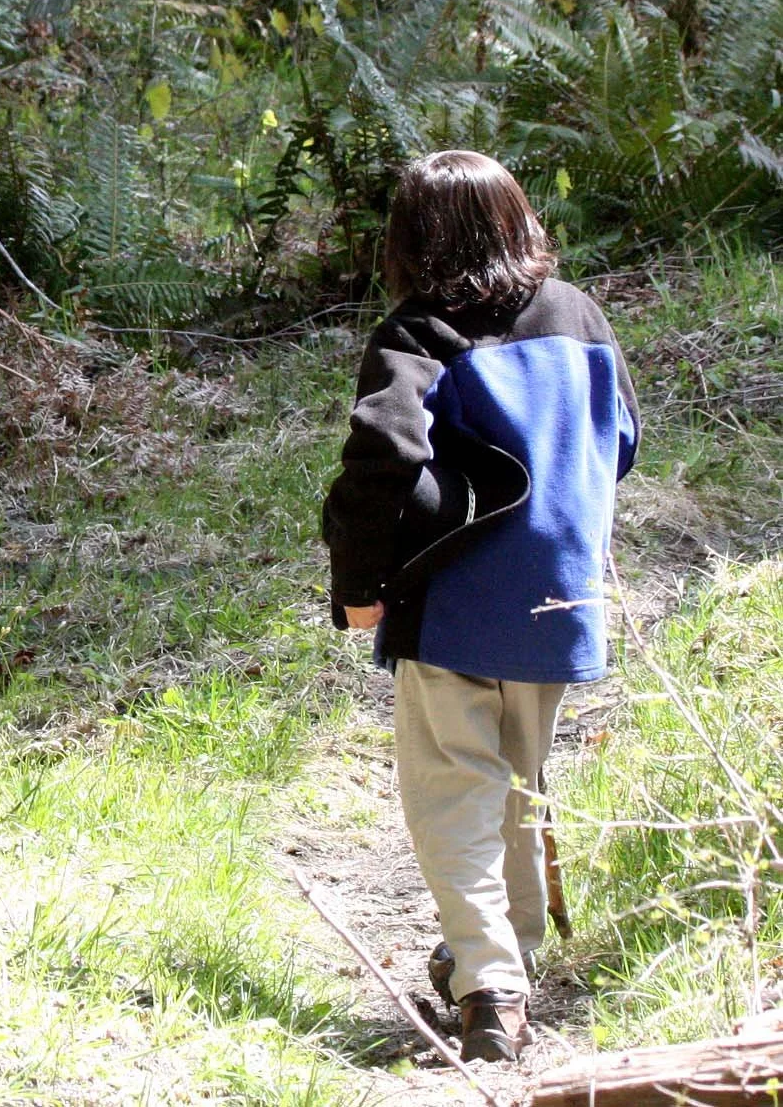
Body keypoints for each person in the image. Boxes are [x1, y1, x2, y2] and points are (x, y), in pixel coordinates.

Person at [321, 150, 640, 1063]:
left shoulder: (417, 333)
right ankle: (507, 957)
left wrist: (357, 588)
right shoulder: (578, 313)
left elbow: (379, 460)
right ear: (517, 222)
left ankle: (488, 984)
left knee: (451, 787)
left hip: (453, 592)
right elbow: (619, 438)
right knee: (521, 777)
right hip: (563, 589)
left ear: (410, 241)